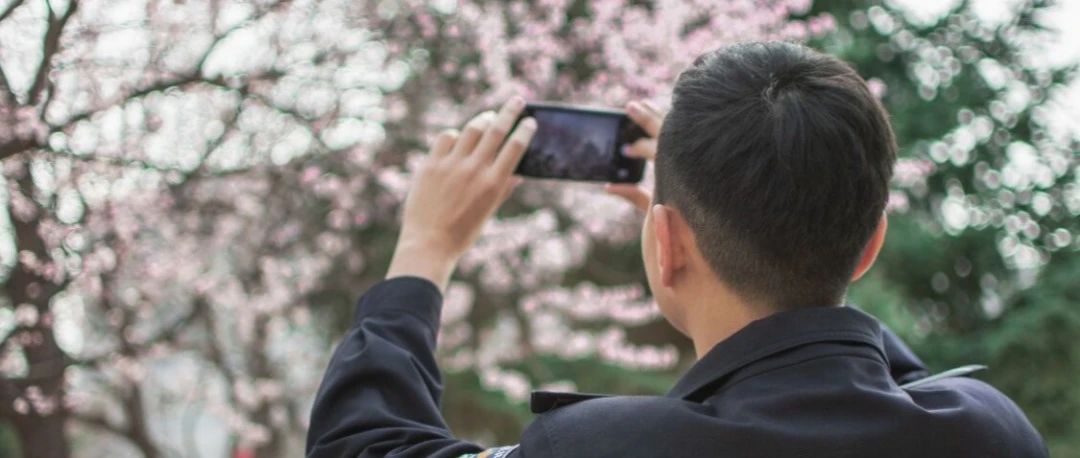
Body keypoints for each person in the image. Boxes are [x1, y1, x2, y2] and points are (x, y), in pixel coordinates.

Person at [306, 42, 1047, 457]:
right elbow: (885, 386)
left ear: (664, 244)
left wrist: (426, 246)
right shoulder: (992, 432)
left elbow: (360, 449)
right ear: (871, 244)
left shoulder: (601, 450)